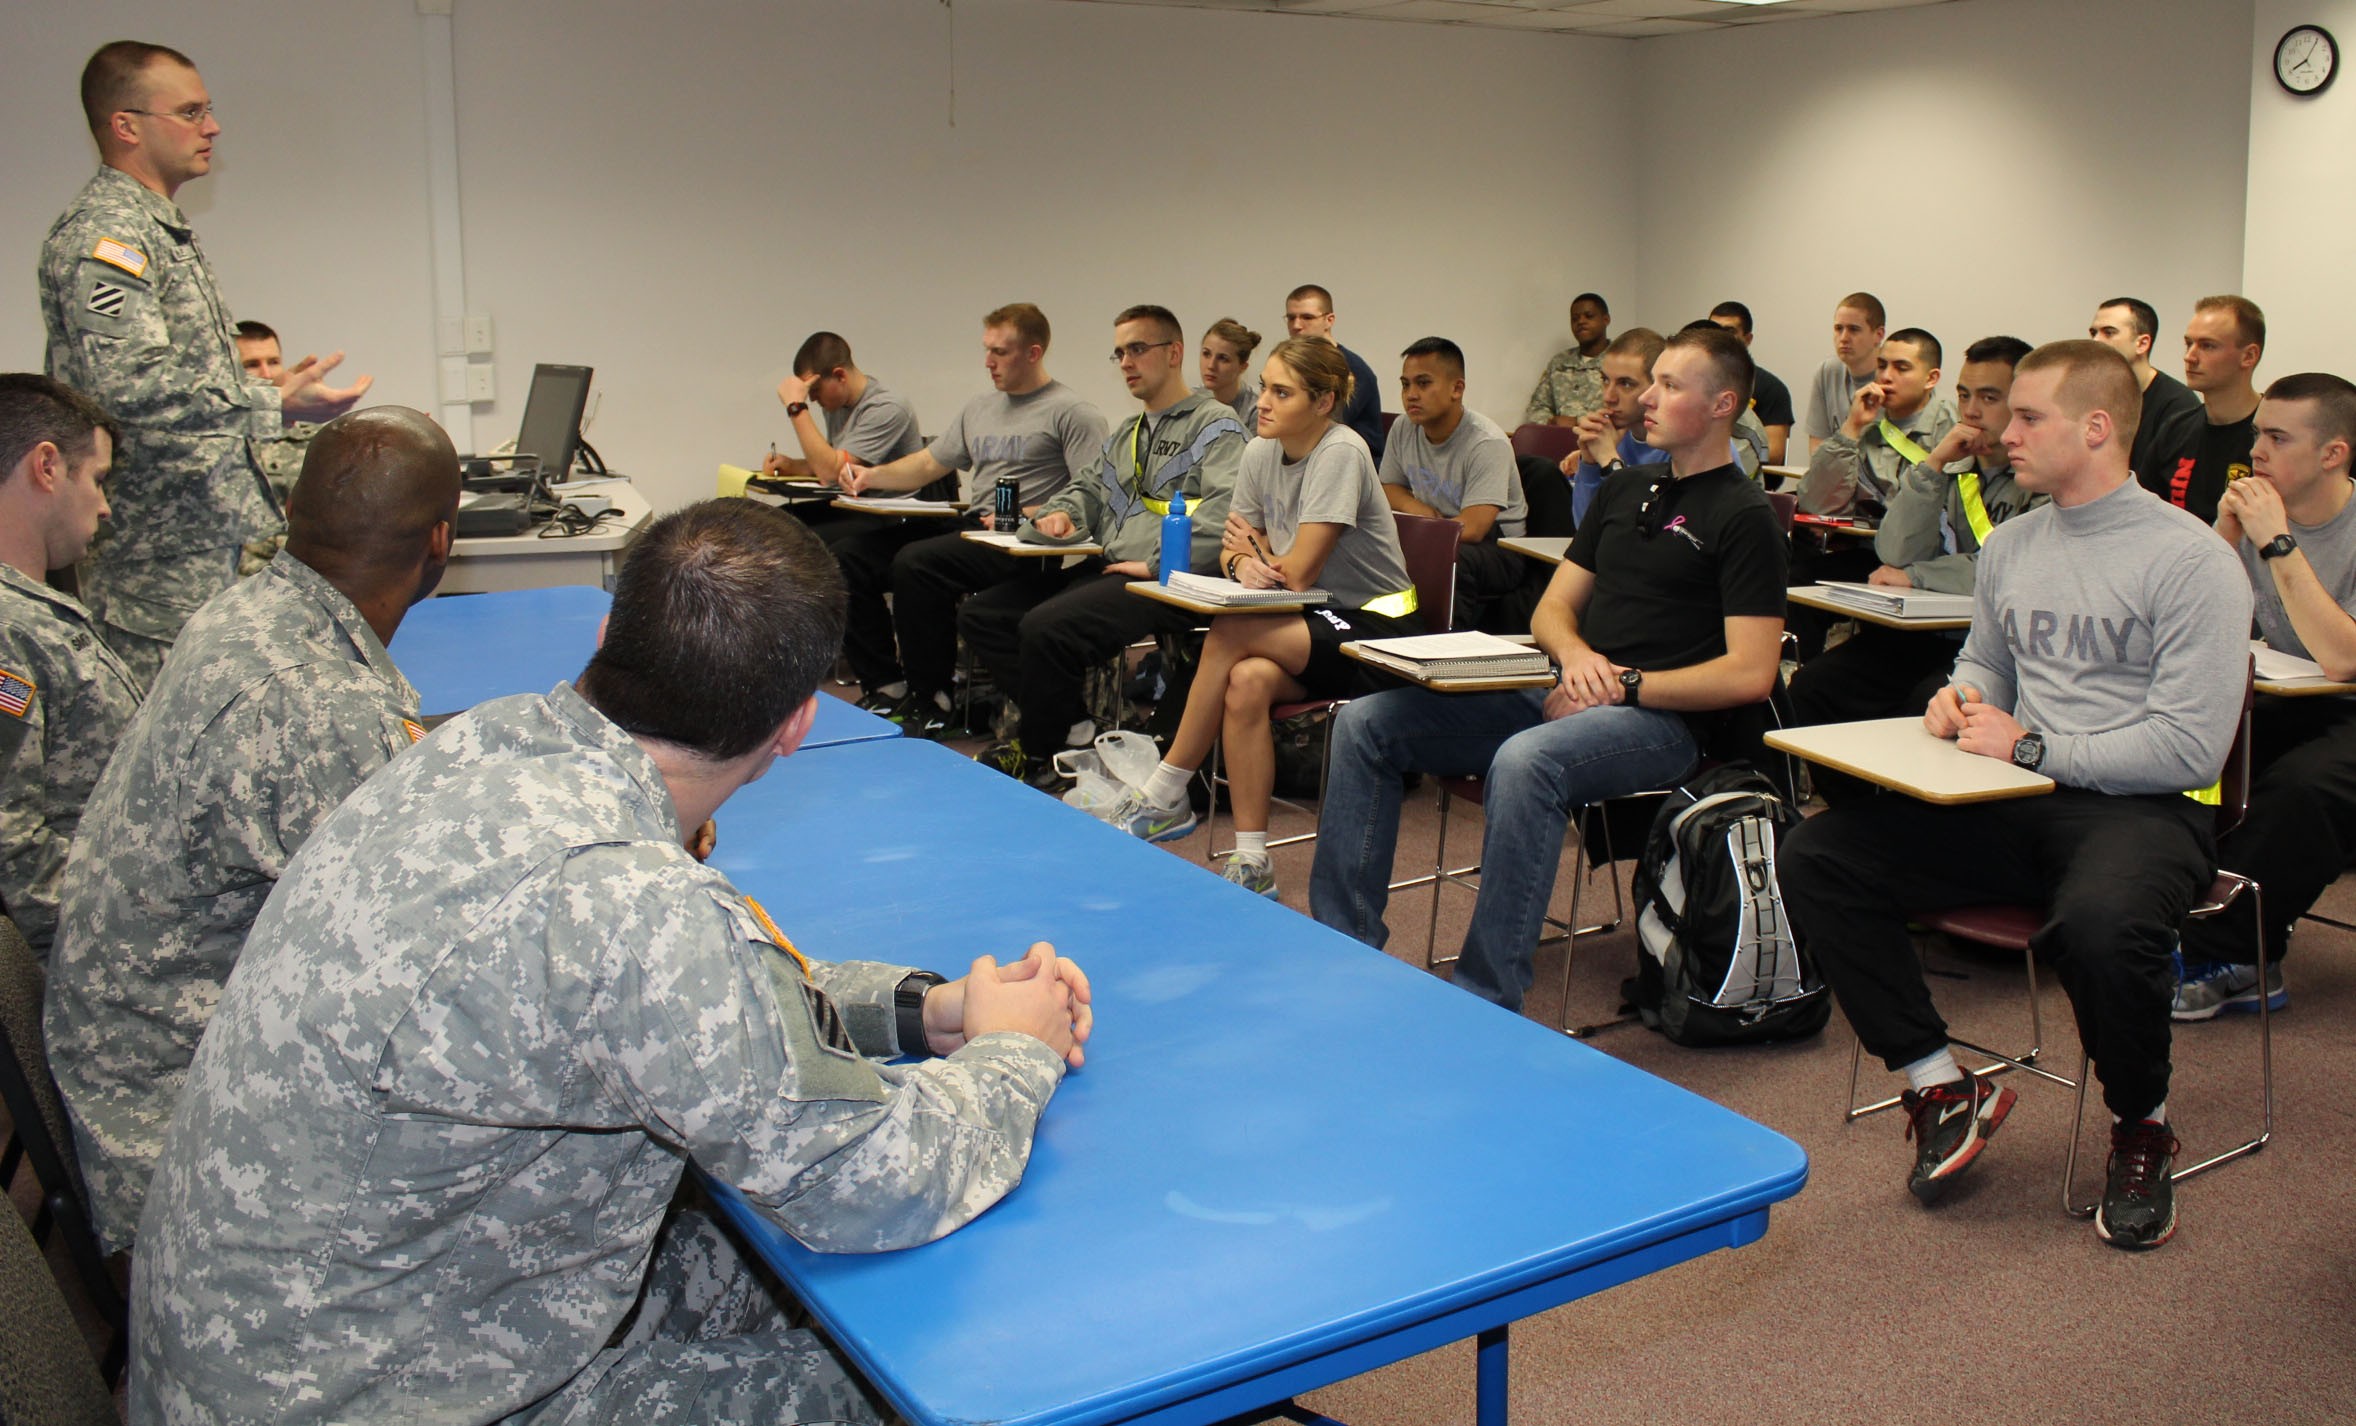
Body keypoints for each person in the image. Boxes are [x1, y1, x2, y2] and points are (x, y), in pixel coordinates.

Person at [129, 499, 1091, 1424]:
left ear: (603, 644)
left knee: (740, 1249)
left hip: (289, 1343)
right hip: (392, 1390)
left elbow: (691, 1000)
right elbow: (877, 1181)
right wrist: (1015, 1050)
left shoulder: (469, 748)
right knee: (932, 1381)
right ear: (797, 725)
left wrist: (919, 1009)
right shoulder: (630, 906)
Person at [1778, 340, 2249, 1252]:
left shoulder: (2190, 561)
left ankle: (2142, 1124)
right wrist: (1960, 696)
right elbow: (1986, 662)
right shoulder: (2017, 544)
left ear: (2098, 428)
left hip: (2148, 807)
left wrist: (2031, 743)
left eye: (2030, 416)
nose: (2004, 428)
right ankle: (1937, 1082)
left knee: (2105, 926)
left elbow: (2190, 744)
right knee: (1820, 856)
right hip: (2016, 795)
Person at [44, 406, 460, 1253]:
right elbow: (442, 957)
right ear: (442, 541)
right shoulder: (315, 700)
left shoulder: (256, 611)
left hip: (148, 1054)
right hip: (191, 1132)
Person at [1309, 325, 1785, 1009]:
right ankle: (1344, 949)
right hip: (1571, 687)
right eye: (1652, 381)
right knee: (1365, 723)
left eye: (1669, 385)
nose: (1646, 397)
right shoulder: (1629, 492)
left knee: (1527, 763)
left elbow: (1750, 673)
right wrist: (1580, 659)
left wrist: (1620, 683)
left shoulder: (1743, 516)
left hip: (1663, 720)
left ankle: (1487, 996)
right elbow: (1552, 611)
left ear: (1722, 405)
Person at [41, 42, 369, 687]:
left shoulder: (156, 228)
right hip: (153, 566)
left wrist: (268, 388)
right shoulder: (108, 238)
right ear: (126, 125)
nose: (211, 127)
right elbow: (124, 386)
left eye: (209, 110)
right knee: (167, 761)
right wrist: (269, 403)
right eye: (190, 112)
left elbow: (169, 377)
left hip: (192, 551)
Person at [1094, 337, 1417, 897]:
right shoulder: (1260, 451)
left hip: (1376, 633)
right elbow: (1232, 549)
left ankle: (1167, 787)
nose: (1262, 401)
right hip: (1309, 622)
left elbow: (1297, 573)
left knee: (1230, 628)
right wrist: (1246, 557)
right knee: (1244, 682)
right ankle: (1252, 859)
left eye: (1281, 392)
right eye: (1264, 386)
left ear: (1322, 403)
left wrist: (1257, 554)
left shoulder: (1341, 451)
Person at [962, 306, 1248, 785]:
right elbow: (1088, 491)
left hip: (1172, 581)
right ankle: (1074, 730)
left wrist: (1158, 565)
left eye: (1138, 349)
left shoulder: (1216, 425)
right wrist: (1058, 517)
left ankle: (1040, 752)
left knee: (1045, 628)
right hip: (1118, 569)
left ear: (1174, 352)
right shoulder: (1128, 433)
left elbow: (1225, 514)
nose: (1126, 363)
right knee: (984, 616)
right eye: (1119, 353)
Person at [1785, 336, 2042, 795]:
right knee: (1815, 685)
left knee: (1922, 704)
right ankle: (1856, 816)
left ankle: (1904, 829)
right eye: (1965, 395)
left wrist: (1920, 576)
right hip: (1931, 633)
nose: (1972, 410)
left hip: (1995, 651)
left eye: (1989, 397)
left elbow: (2010, 569)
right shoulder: (1957, 466)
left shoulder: (2040, 478)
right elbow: (1895, 550)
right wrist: (1936, 463)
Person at [2174, 373, 2356, 1021]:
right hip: (2292, 694)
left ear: (2333, 453)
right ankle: (2171, 912)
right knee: (2188, 747)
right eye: (2258, 434)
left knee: (2304, 788)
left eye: (2278, 438)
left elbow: (2342, 659)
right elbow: (2179, 614)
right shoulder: (2249, 513)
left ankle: (2236, 955)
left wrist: (2276, 543)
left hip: (2348, 701)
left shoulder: (2296, 528)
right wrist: (2222, 535)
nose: (2258, 451)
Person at [839, 304, 1107, 736]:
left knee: (917, 562)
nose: (988, 362)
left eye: (1000, 352)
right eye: (987, 350)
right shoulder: (979, 407)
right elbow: (929, 464)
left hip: (1022, 541)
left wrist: (1036, 514)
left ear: (1033, 353)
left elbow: (1096, 493)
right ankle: (887, 684)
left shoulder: (1072, 413)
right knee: (850, 556)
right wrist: (872, 476)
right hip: (973, 529)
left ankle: (935, 696)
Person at [0, 375, 138, 960]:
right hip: (85, 962)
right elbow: (14, 854)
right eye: (98, 480)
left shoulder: (30, 611)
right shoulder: (8, 629)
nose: (105, 508)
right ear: (48, 467)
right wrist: (157, 921)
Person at [754, 331, 928, 708]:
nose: (814, 403)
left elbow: (833, 471)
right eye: (808, 398)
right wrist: (791, 466)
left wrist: (795, 409)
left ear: (840, 375)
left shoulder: (887, 407)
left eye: (815, 393)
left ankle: (886, 681)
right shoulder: (839, 408)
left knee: (836, 555)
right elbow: (829, 468)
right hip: (857, 508)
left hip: (896, 518)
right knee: (774, 529)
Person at [1378, 337, 1527, 630]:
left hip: (1499, 549)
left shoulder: (1486, 442)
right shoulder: (1404, 427)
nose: (1411, 395)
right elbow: (1388, 487)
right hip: (1439, 533)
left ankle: (1441, 650)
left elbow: (1472, 528)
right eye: (1405, 384)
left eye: (1423, 383)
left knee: (1451, 561)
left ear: (1456, 389)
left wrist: (1422, 535)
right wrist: (1417, 509)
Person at [2147, 294, 2266, 523]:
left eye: (2207, 346)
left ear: (2249, 356)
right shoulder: (2175, 429)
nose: (2189, 357)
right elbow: (2145, 512)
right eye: (2188, 343)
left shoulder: (2275, 436)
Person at [2088, 297, 2204, 486]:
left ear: (2142, 344)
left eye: (2109, 333)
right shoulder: (2090, 397)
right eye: (2093, 333)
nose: (2096, 341)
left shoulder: (2177, 405)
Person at [1283, 285, 1387, 460]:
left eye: (1307, 317)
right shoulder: (1295, 365)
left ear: (1329, 320)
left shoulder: (1352, 369)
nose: (1296, 325)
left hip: (1352, 465)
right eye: (1291, 318)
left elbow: (1321, 426)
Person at [1710, 300, 1795, 464]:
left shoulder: (1771, 388)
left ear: (1748, 339)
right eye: (1713, 331)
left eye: (1729, 331)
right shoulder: (1696, 383)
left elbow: (1775, 454)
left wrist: (1731, 454)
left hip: (1751, 481)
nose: (1720, 338)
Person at [1804, 292, 1887, 453]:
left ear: (1879, 335)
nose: (1843, 338)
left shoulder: (1892, 377)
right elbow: (1817, 446)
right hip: (1836, 473)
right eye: (1838, 328)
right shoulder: (1827, 372)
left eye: (1854, 330)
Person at [1525, 292, 1612, 429]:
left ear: (1606, 319)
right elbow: (1535, 409)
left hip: (1604, 443)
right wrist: (1552, 421)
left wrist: (1577, 422)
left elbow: (1627, 414)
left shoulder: (1620, 361)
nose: (1581, 322)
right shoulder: (1560, 362)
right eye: (1575, 319)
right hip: (1558, 442)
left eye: (1589, 316)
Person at [1199, 317, 1263, 427]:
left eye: (1223, 358)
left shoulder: (1256, 409)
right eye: (1206, 354)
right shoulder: (1190, 401)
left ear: (1243, 367)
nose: (1211, 365)